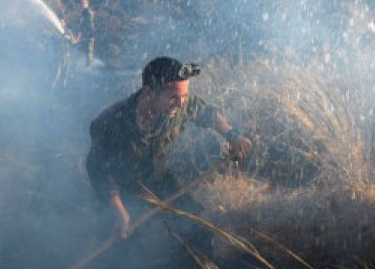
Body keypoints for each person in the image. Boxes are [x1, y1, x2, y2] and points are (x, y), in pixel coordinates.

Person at [85, 57, 251, 244]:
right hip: (121, 195)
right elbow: (99, 172)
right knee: (122, 249)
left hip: (159, 181)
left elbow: (206, 113)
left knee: (198, 230)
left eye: (183, 97)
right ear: (148, 92)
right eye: (173, 97)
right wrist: (120, 213)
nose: (180, 104)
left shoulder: (179, 106)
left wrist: (234, 136)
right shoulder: (111, 123)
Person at [75, 0, 97, 66]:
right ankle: (86, 64)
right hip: (85, 35)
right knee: (83, 50)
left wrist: (89, 33)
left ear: (87, 4)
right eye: (82, 4)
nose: (82, 5)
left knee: (89, 51)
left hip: (89, 35)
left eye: (84, 4)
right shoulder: (84, 13)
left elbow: (90, 24)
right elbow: (82, 25)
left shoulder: (88, 12)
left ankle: (90, 65)